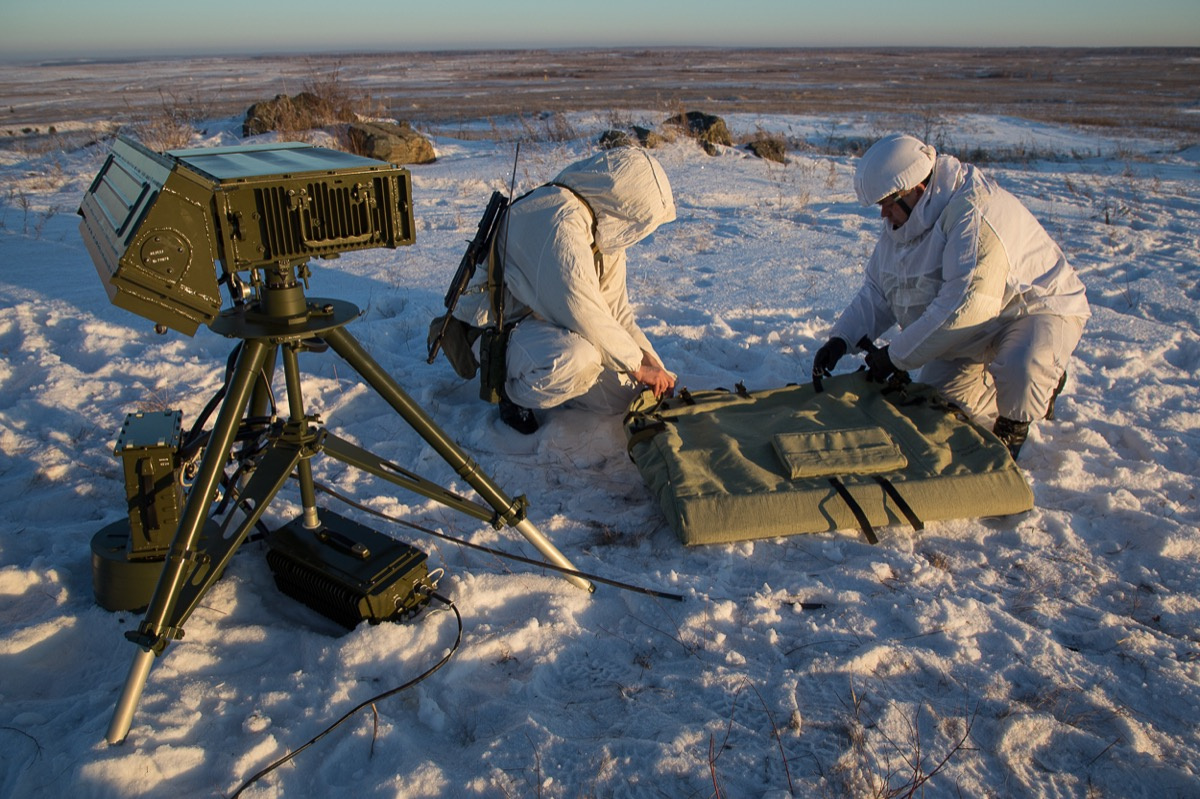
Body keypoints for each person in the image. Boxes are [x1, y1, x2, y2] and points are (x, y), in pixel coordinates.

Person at [811, 133, 1089, 459]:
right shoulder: (906, 222)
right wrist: (841, 339)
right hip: (972, 331)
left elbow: (966, 307)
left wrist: (895, 356)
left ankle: (1021, 415)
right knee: (936, 407)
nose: (883, 216)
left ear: (915, 189)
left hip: (1034, 311)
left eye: (887, 204)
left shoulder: (974, 212)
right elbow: (880, 291)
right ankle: (1007, 379)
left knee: (1022, 366)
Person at [473, 148, 677, 433]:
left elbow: (617, 312)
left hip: (548, 328)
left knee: (630, 396)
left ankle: (553, 384)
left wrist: (649, 360)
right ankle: (511, 392)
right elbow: (583, 311)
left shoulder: (603, 228)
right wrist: (637, 365)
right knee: (578, 360)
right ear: (627, 200)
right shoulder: (556, 220)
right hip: (498, 332)